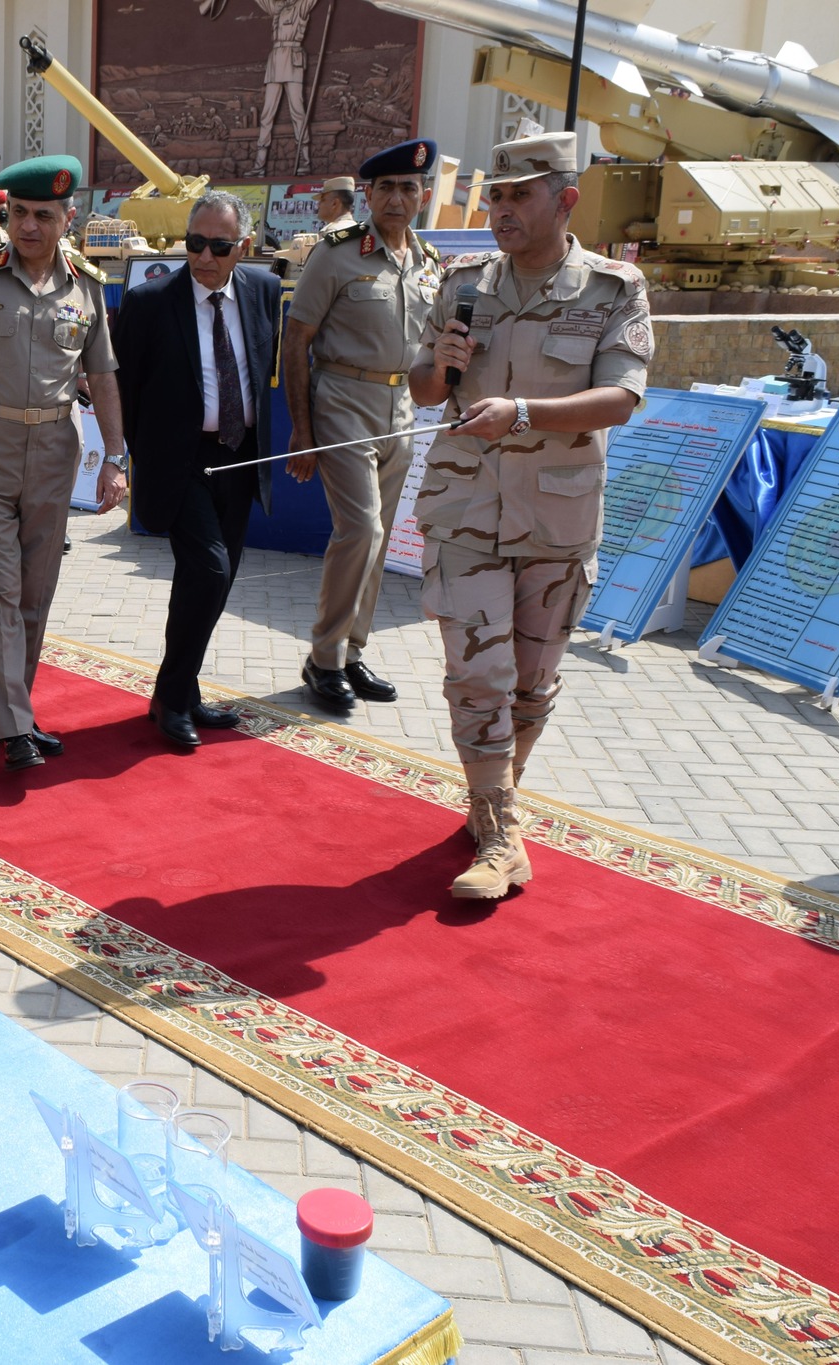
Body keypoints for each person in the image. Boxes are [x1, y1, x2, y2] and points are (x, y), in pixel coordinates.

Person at [410, 131, 651, 899]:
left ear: (565, 199)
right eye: (497, 197)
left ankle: (491, 798)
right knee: (478, 673)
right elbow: (422, 389)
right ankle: (502, 831)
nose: (503, 210)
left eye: (521, 195)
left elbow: (622, 398)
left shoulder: (612, 289)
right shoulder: (463, 283)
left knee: (531, 684)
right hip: (464, 509)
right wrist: (441, 363)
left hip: (556, 517)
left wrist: (522, 412)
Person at [0, 155, 125, 771]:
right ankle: (16, 727)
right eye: (19, 214)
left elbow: (103, 378)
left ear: (69, 219)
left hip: (55, 453)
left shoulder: (86, 286)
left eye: (43, 216)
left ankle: (11, 711)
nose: (29, 226)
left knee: (36, 591)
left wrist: (116, 458)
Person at [282, 138, 441, 715]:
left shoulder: (427, 262)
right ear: (367, 195)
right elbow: (296, 339)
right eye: (386, 188)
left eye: (408, 188)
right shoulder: (338, 253)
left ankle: (352, 651)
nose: (397, 199)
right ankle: (323, 658)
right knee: (363, 529)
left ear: (424, 196)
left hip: (400, 409)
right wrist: (303, 431)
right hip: (342, 401)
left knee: (379, 538)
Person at [114, 190, 276, 748]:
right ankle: (173, 697)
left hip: (241, 456)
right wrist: (137, 456)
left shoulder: (264, 290)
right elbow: (124, 389)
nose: (205, 256)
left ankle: (181, 689)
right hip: (178, 462)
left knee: (210, 582)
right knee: (209, 571)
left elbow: (262, 368)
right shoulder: (150, 302)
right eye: (195, 243)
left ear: (244, 247)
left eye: (219, 246)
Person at [252, 0, 321, 177]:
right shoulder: (276, 8)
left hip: (292, 60)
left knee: (298, 112)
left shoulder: (300, 7)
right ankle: (259, 165)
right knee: (267, 114)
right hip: (275, 62)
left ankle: (305, 160)